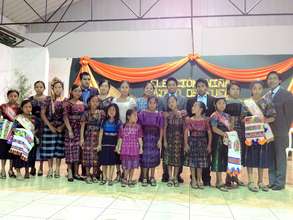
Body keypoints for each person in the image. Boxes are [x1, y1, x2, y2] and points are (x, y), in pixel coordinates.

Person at [243, 81, 276, 192]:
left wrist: (264, 119)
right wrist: (251, 120)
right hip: (250, 133)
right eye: (254, 88)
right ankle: (251, 181)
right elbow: (242, 118)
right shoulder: (246, 103)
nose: (257, 90)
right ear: (251, 90)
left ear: (262, 89)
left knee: (262, 156)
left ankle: (260, 181)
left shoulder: (267, 102)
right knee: (250, 156)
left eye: (259, 88)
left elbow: (273, 117)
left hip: (262, 133)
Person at [266, 72, 293, 190]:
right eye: (269, 79)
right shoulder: (266, 96)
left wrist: (284, 129)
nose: (271, 80)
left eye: (274, 78)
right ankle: (272, 181)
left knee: (280, 157)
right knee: (270, 157)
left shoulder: (287, 95)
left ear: (279, 81)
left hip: (281, 131)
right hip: (268, 132)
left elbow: (289, 115)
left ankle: (279, 183)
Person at [186, 78, 215, 186]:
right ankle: (193, 179)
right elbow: (189, 115)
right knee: (193, 158)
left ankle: (205, 178)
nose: (200, 88)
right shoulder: (190, 101)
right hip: (194, 134)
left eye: (203, 86)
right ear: (196, 88)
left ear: (206, 87)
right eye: (198, 86)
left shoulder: (213, 100)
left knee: (205, 157)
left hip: (207, 131)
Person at [158, 77, 186, 183]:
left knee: (179, 154)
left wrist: (179, 113)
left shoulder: (183, 99)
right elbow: (160, 113)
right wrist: (168, 114)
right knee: (167, 154)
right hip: (167, 130)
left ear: (176, 86)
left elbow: (186, 111)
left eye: (173, 84)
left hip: (179, 130)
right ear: (166, 87)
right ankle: (166, 175)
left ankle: (177, 175)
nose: (171, 87)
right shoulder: (161, 99)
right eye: (169, 85)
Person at [40, 78, 65, 178]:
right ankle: (50, 168)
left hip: (60, 128)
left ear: (62, 88)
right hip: (49, 127)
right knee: (49, 149)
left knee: (59, 149)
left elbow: (66, 116)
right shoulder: (47, 99)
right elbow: (42, 114)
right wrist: (50, 126)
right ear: (52, 88)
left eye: (60, 87)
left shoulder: (65, 100)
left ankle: (57, 169)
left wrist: (62, 127)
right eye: (56, 87)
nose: (58, 89)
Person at [184, 101, 212, 189]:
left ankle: (200, 179)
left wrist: (209, 145)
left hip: (202, 142)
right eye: (193, 106)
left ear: (200, 109)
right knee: (192, 162)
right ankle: (193, 179)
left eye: (195, 106)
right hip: (192, 142)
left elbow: (209, 133)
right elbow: (186, 132)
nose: (192, 107)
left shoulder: (206, 120)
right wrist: (186, 144)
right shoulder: (189, 120)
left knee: (200, 162)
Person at [112, 81, 136, 181]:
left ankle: (125, 174)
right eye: (122, 87)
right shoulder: (114, 100)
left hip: (128, 129)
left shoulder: (132, 101)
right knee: (117, 150)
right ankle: (118, 173)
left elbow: (134, 114)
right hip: (116, 127)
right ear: (119, 88)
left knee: (126, 152)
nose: (124, 89)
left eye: (126, 87)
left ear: (129, 89)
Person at [10, 100, 40, 180]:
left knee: (30, 156)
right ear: (22, 108)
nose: (28, 109)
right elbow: (13, 129)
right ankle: (18, 172)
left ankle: (27, 171)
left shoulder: (35, 118)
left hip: (30, 141)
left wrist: (32, 134)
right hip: (19, 141)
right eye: (25, 107)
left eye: (29, 107)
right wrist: (24, 133)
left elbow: (38, 129)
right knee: (18, 156)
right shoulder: (18, 118)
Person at [138, 96, 164, 187]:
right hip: (145, 138)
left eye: (154, 103)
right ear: (147, 103)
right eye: (150, 102)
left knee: (154, 157)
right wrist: (140, 139)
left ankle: (152, 177)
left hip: (155, 138)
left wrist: (160, 140)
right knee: (145, 158)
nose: (152, 105)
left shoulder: (159, 114)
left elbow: (161, 128)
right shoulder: (142, 113)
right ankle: (144, 177)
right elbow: (139, 127)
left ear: (157, 104)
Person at [224, 81, 245, 187]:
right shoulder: (224, 102)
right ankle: (228, 178)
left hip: (239, 130)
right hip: (228, 130)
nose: (235, 91)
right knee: (228, 154)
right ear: (228, 91)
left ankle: (235, 177)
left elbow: (243, 118)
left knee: (237, 154)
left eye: (237, 89)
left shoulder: (242, 103)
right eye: (233, 89)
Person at [63, 84, 86, 182]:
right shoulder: (67, 103)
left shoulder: (83, 104)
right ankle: (70, 172)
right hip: (70, 129)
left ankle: (76, 173)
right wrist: (70, 130)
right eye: (75, 91)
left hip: (80, 129)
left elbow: (84, 119)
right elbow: (65, 117)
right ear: (71, 92)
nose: (77, 93)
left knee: (77, 151)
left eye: (79, 91)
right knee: (69, 150)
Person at [116, 109, 143, 187]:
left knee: (132, 165)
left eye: (136, 115)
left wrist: (141, 147)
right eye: (134, 115)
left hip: (134, 149)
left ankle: (130, 179)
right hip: (125, 149)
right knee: (126, 165)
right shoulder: (123, 127)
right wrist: (118, 147)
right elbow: (120, 138)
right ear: (128, 117)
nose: (136, 117)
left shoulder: (138, 127)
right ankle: (125, 179)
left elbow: (140, 138)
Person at [80, 95, 104, 184]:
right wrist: (81, 138)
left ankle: (94, 174)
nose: (94, 103)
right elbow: (82, 126)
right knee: (86, 156)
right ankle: (87, 174)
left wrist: (100, 142)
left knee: (95, 157)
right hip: (88, 136)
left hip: (97, 137)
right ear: (89, 102)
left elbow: (102, 128)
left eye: (96, 101)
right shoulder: (86, 113)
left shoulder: (101, 113)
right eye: (93, 101)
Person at [163, 96, 186, 187]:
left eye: (173, 101)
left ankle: (176, 177)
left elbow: (185, 129)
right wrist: (164, 140)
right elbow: (164, 129)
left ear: (177, 103)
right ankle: (170, 177)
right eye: (169, 102)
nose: (171, 103)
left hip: (179, 140)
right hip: (169, 139)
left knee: (177, 159)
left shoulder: (183, 113)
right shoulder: (167, 115)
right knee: (169, 159)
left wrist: (185, 141)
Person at [210, 97, 231, 192]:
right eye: (219, 103)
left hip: (226, 141)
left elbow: (230, 127)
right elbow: (214, 129)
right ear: (215, 105)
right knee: (217, 159)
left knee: (224, 159)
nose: (222, 105)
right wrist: (224, 134)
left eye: (223, 103)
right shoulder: (214, 115)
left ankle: (226, 179)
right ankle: (219, 181)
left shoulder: (227, 116)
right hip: (217, 140)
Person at [98, 103, 121, 186]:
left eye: (113, 110)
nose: (111, 111)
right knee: (104, 162)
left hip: (113, 143)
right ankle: (104, 177)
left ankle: (110, 178)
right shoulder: (103, 121)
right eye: (110, 110)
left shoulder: (118, 122)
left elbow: (120, 136)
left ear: (116, 112)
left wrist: (118, 146)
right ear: (107, 111)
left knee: (112, 162)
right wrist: (99, 144)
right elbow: (101, 133)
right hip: (105, 143)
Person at [28, 81, 47, 176]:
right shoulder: (30, 99)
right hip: (33, 124)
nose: (39, 88)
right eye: (37, 87)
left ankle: (41, 167)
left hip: (44, 124)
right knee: (33, 146)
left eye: (41, 87)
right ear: (34, 88)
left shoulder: (47, 99)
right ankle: (32, 167)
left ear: (44, 88)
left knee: (42, 146)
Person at [0, 89, 20, 179]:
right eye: (11, 96)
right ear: (8, 96)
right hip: (4, 132)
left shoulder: (19, 108)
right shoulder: (3, 106)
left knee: (12, 151)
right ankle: (3, 169)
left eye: (15, 96)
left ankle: (11, 170)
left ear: (17, 97)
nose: (13, 97)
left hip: (15, 132)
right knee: (3, 151)